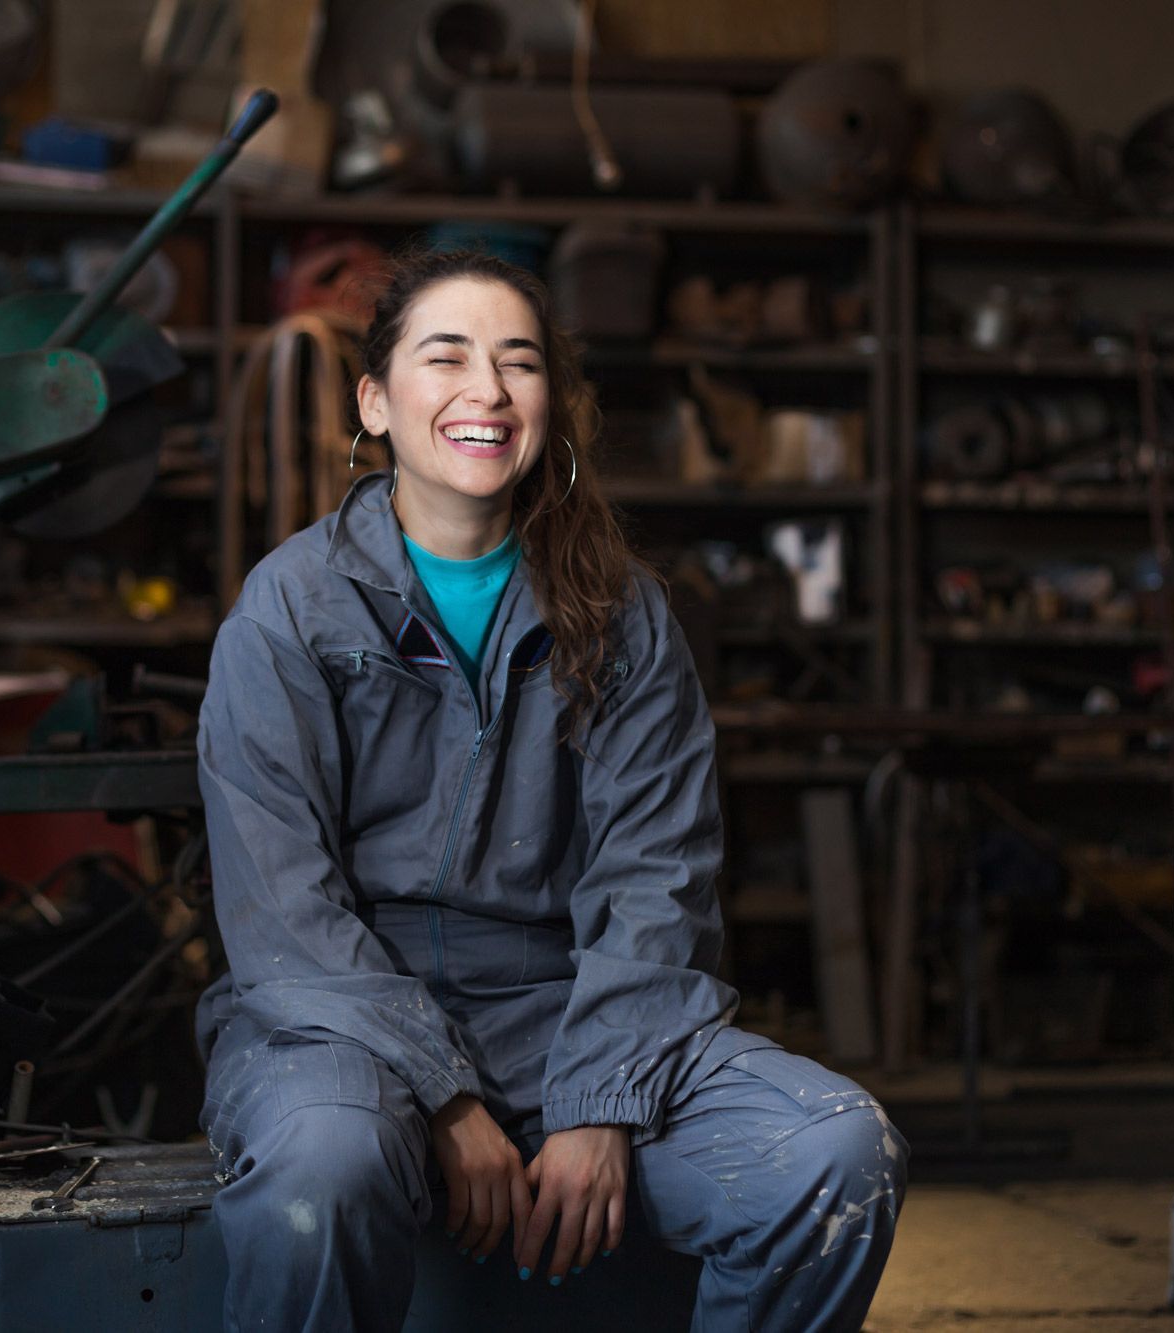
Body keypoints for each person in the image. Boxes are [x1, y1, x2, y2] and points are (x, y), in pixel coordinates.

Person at [194, 247, 905, 1332]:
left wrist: (595, 1101)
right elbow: (280, 910)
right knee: (319, 1169)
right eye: (447, 357)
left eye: (517, 363)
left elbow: (656, 878)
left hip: (567, 1011)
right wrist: (443, 1091)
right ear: (374, 401)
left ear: (546, 407)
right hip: (335, 1025)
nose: (485, 389)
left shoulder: (619, 611)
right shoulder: (289, 611)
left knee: (832, 1151)